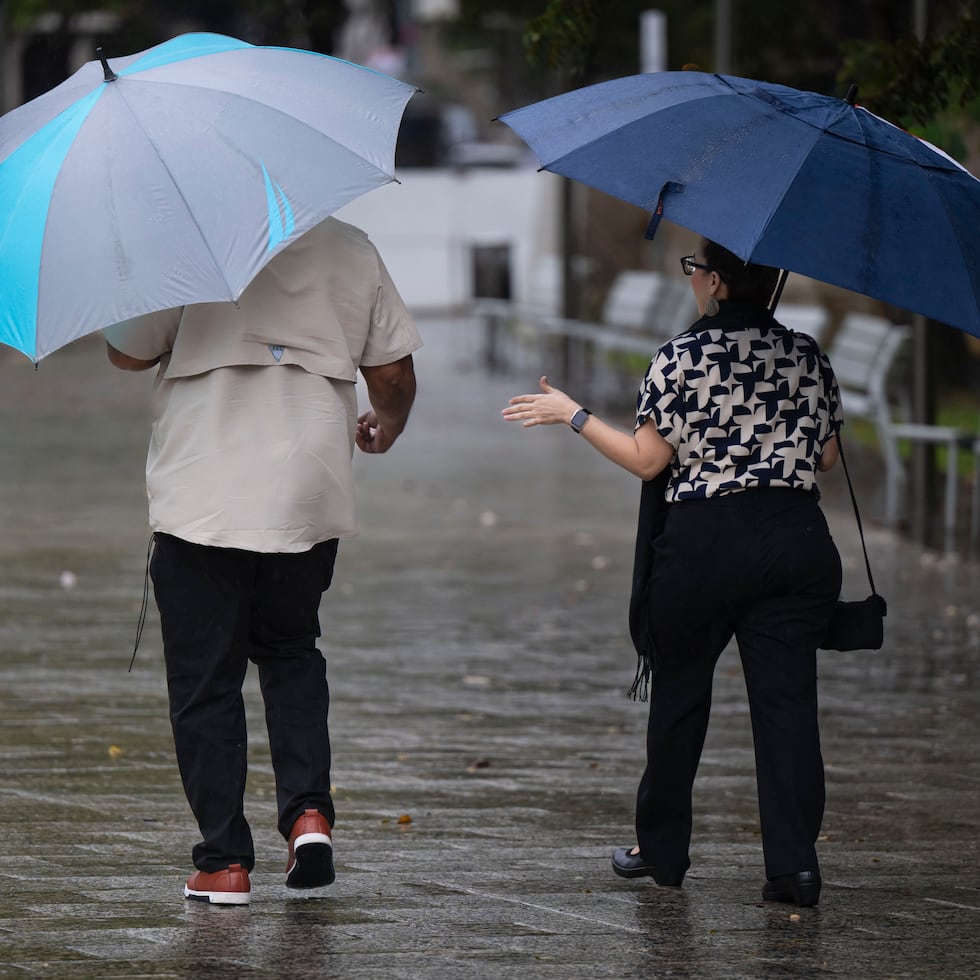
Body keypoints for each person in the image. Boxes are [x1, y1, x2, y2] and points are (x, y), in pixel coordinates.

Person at [502, 238, 843, 908]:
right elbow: (827, 458)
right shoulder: (807, 354)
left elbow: (647, 460)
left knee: (681, 696)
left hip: (704, 546)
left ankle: (662, 850)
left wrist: (573, 414)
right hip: (795, 541)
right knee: (788, 708)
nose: (693, 279)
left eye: (696, 270)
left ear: (715, 282)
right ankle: (795, 867)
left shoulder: (681, 356)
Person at [104, 216, 421, 906]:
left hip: (205, 490)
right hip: (306, 485)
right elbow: (393, 373)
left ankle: (224, 864)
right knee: (291, 649)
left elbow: (126, 355)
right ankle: (308, 817)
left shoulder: (181, 237)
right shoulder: (351, 246)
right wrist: (389, 425)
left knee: (205, 679)